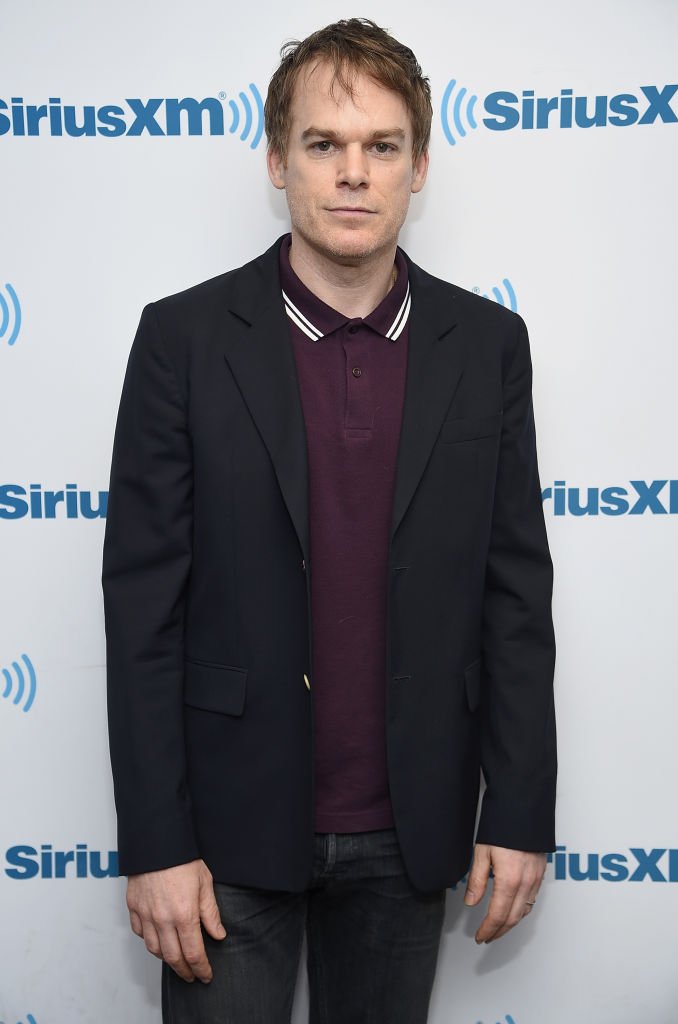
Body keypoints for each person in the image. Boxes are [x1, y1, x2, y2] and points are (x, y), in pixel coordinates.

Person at [102, 17, 557, 1024]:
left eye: (381, 147)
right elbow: (142, 613)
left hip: (412, 830)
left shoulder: (486, 347)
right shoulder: (180, 340)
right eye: (323, 145)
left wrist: (520, 810)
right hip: (222, 836)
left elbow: (514, 595)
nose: (353, 174)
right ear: (278, 160)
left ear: (418, 166)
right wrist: (157, 843)